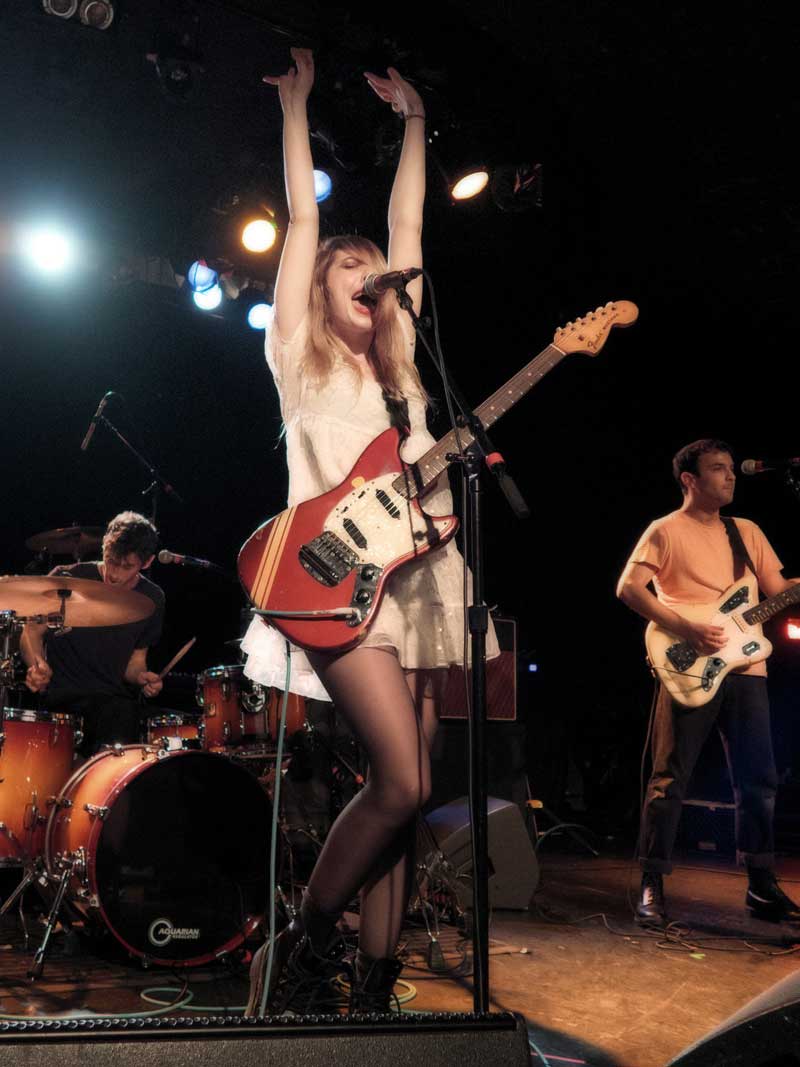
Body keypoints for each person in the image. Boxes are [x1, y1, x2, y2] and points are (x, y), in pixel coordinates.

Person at [242, 48, 499, 1014]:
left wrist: (419, 126)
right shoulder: (298, 362)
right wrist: (299, 110)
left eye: (373, 271)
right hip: (339, 584)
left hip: (424, 579)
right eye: (348, 268)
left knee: (415, 789)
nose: (366, 272)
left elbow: (409, 224)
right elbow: (308, 218)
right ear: (318, 290)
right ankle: (305, 940)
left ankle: (376, 979)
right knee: (398, 775)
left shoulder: (403, 372)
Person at [617, 438, 800, 925]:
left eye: (730, 469)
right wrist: (686, 627)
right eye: (717, 469)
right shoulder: (665, 530)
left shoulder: (747, 531)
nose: (730, 476)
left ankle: (760, 885)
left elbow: (779, 593)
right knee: (670, 777)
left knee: (758, 779)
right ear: (690, 480)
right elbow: (628, 588)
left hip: (748, 669)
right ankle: (652, 883)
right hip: (687, 663)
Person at [22, 510, 165, 756]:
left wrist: (142, 676)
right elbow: (31, 631)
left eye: (127, 566)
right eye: (110, 559)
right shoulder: (68, 578)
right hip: (64, 698)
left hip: (111, 700)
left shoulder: (152, 598)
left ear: (147, 562)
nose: (114, 573)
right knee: (120, 713)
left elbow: (135, 662)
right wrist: (37, 665)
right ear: (103, 547)